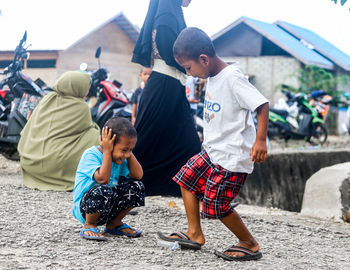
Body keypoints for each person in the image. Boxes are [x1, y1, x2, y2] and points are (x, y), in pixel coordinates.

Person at [157, 27, 269, 261]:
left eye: (189, 68)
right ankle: (195, 233)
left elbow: (261, 105)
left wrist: (260, 140)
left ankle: (249, 243)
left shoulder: (232, 78)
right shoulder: (213, 76)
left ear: (204, 59)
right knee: (186, 178)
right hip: (213, 151)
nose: (190, 74)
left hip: (231, 155)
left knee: (216, 205)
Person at [131, 0, 201, 196]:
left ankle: (200, 194)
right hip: (164, 85)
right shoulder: (167, 13)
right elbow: (169, 51)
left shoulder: (170, 10)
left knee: (188, 142)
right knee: (144, 143)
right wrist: (191, 66)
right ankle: (120, 192)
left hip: (171, 85)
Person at [18, 71, 100, 191]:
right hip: (55, 164)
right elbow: (87, 128)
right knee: (96, 136)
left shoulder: (47, 99)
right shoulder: (80, 106)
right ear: (76, 87)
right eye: (86, 88)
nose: (87, 92)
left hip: (31, 161)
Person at [72, 117, 145, 241]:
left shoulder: (121, 158)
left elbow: (138, 175)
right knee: (104, 189)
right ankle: (90, 225)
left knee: (137, 186)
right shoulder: (91, 155)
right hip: (86, 209)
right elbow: (102, 179)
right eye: (124, 150)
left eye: (130, 150)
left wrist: (128, 152)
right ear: (109, 143)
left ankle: (114, 224)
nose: (127, 155)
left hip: (107, 208)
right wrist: (107, 150)